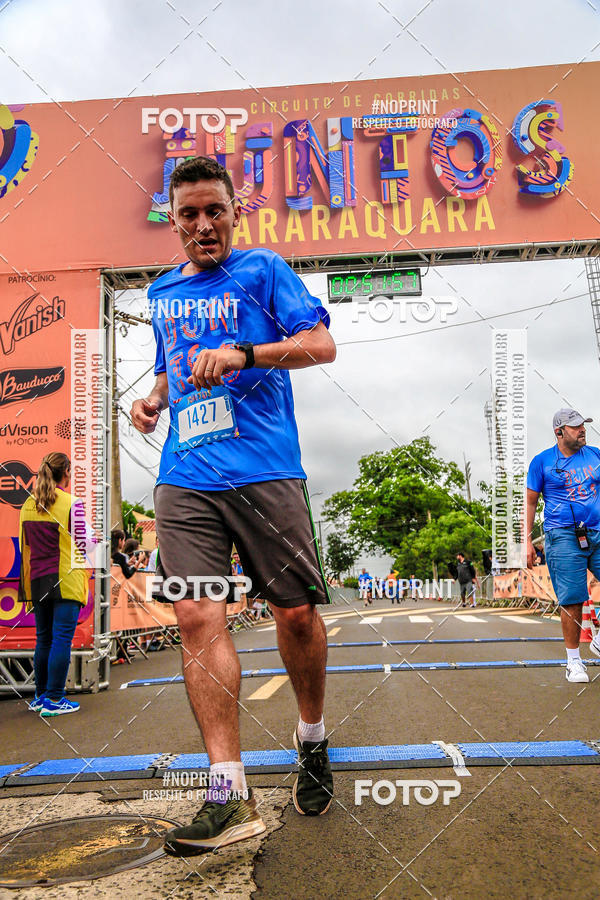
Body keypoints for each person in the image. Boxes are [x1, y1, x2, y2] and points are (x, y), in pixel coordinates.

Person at [130, 156, 337, 855]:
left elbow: (322, 345)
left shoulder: (264, 270)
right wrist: (153, 401)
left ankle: (311, 738)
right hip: (186, 474)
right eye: (188, 213)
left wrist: (246, 353)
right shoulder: (161, 292)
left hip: (266, 470)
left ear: (234, 212)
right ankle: (228, 795)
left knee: (296, 615)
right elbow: (168, 365)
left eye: (213, 210)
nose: (202, 224)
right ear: (174, 219)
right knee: (195, 613)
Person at [527, 408, 600, 683]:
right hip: (562, 536)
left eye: (583, 425)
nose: (582, 430)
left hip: (597, 531)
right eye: (575, 427)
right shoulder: (542, 462)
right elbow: (531, 502)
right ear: (559, 432)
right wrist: (526, 542)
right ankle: (573, 662)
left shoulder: (595, 455)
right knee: (572, 598)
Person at [19, 452, 88, 716]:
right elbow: (84, 545)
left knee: (44, 639)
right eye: (69, 471)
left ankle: (41, 695)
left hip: (37, 579)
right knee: (61, 639)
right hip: (65, 579)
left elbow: (25, 544)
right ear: (65, 472)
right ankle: (56, 699)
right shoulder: (72, 503)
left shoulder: (27, 505)